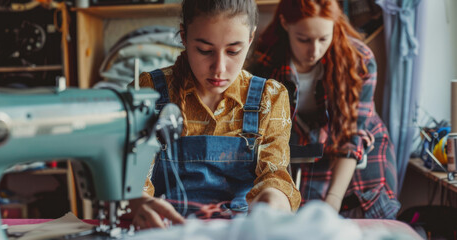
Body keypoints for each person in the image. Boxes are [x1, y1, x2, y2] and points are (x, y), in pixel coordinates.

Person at [129, 0, 301, 229]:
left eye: (233, 51)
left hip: (240, 230)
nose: (219, 67)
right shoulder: (148, 91)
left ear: (250, 39)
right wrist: (137, 201)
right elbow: (133, 176)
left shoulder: (269, 97)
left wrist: (273, 199)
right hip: (166, 229)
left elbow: (274, 174)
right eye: (205, 50)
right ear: (184, 36)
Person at [247, 0, 400, 219]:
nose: (314, 50)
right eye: (304, 39)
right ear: (285, 23)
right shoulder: (264, 62)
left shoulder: (360, 60)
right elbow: (267, 136)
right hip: (303, 151)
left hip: (360, 151)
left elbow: (352, 136)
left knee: (365, 221)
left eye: (323, 39)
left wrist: (333, 199)